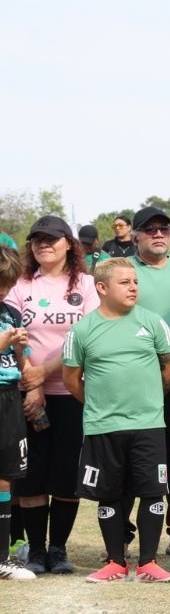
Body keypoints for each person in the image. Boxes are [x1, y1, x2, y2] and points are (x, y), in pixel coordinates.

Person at [63, 258, 170, 582]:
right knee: (109, 494)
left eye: (135, 282)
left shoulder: (153, 322)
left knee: (153, 493)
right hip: (103, 426)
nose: (133, 288)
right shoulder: (81, 330)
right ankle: (115, 561)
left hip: (148, 425)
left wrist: (148, 402)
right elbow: (71, 379)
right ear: (102, 288)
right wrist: (101, 405)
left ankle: (148, 562)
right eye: (125, 282)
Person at [5, 216, 99, 575]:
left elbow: (84, 336)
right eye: (37, 239)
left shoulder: (86, 284)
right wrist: (33, 384)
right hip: (27, 395)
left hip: (71, 391)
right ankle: (36, 550)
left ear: (68, 244)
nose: (44, 244)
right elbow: (13, 333)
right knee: (31, 474)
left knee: (65, 473)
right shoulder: (21, 284)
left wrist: (44, 374)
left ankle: (58, 549)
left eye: (52, 239)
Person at [130, 206, 170, 554]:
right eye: (149, 229)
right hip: (135, 378)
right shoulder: (125, 271)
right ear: (135, 236)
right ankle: (121, 533)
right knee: (129, 454)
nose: (158, 234)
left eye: (164, 229)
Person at [0, 246, 34, 581]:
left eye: (9, 284)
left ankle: (2, 558)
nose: (4, 291)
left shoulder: (11, 312)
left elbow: (23, 364)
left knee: (6, 477)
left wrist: (21, 349)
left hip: (10, 397)